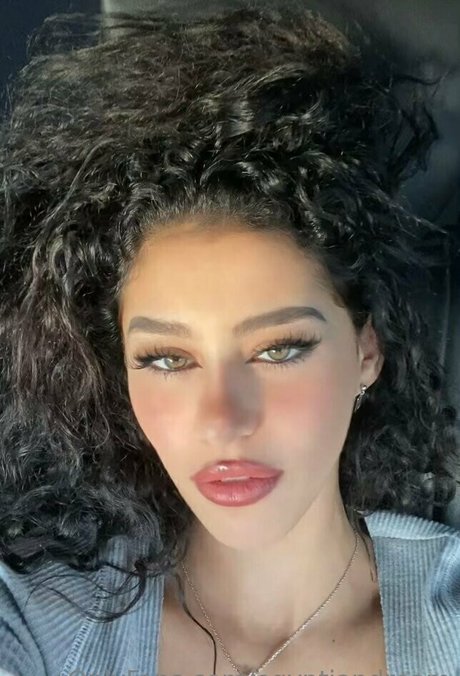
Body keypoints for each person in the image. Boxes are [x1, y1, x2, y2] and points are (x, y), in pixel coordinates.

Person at [0, 5, 459, 676]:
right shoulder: (36, 624)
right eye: (166, 358)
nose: (222, 420)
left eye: (279, 349)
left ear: (366, 352)